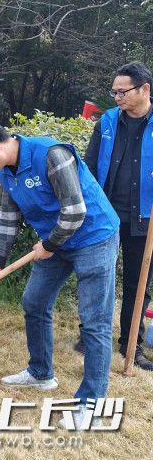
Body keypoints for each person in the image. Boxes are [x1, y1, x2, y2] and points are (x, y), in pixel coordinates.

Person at [0, 118, 119, 430]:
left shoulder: (52, 155)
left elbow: (75, 210)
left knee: (94, 323)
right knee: (34, 302)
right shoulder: (6, 172)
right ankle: (40, 373)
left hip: (93, 237)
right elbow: (8, 219)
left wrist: (49, 244)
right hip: (55, 242)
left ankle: (91, 406)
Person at [78, 61, 153, 370]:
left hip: (145, 219)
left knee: (138, 283)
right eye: (114, 92)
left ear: (145, 89)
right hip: (105, 216)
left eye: (123, 91)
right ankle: (90, 336)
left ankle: (131, 343)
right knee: (98, 276)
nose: (117, 97)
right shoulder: (107, 122)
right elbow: (89, 165)